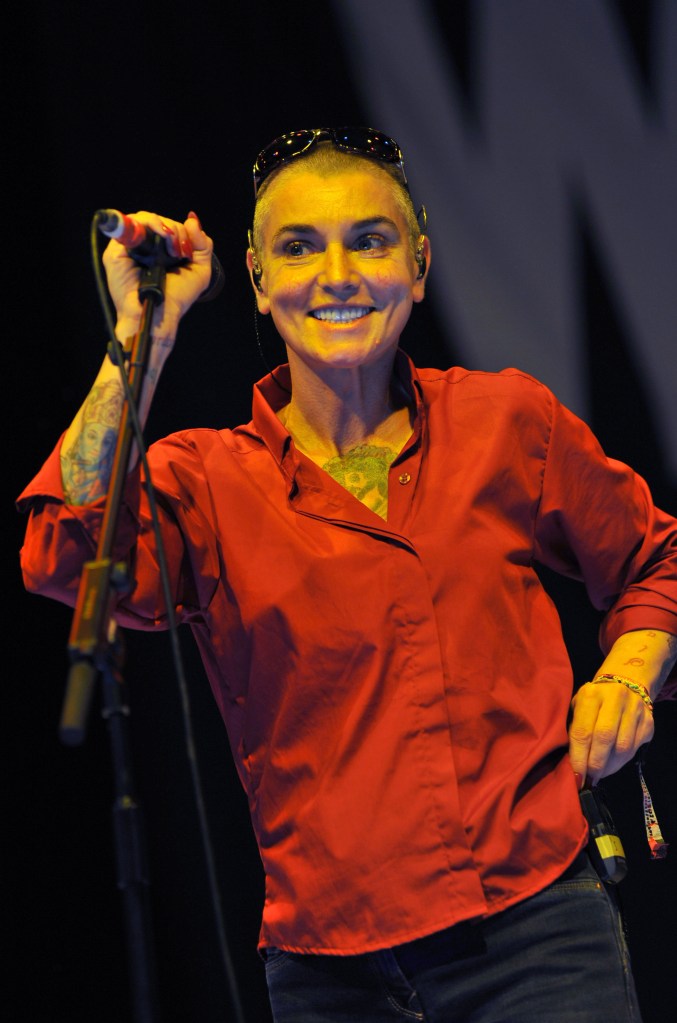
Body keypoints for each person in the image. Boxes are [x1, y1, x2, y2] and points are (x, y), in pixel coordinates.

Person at [18, 127, 677, 1022]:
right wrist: (143, 338)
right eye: (298, 247)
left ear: (418, 261)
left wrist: (629, 674)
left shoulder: (504, 422)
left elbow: (656, 560)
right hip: (326, 974)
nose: (336, 273)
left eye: (369, 240)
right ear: (254, 278)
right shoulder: (206, 480)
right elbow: (64, 551)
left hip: (533, 936)